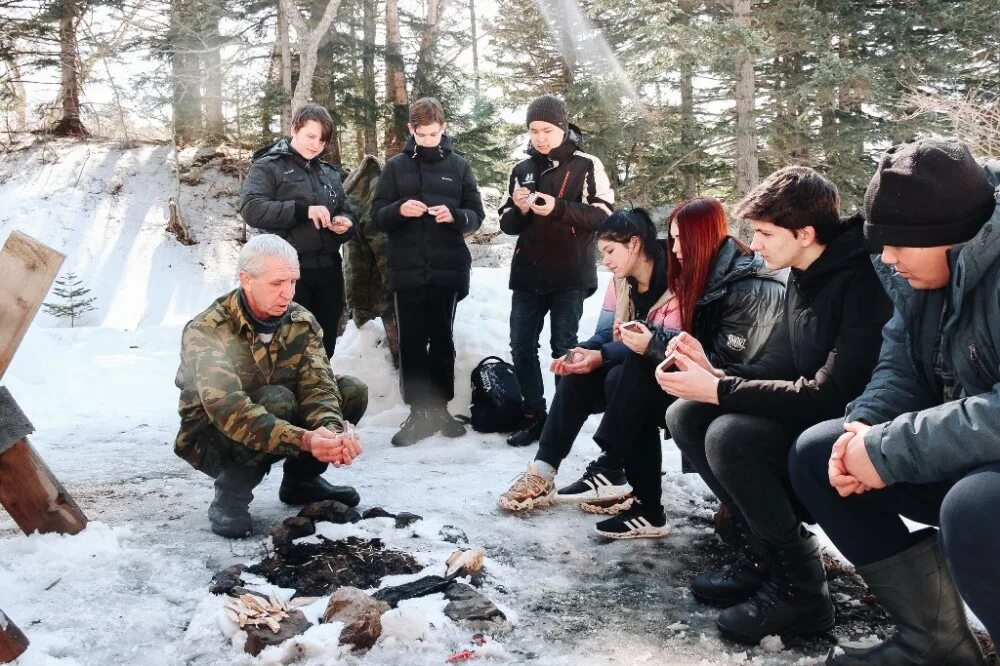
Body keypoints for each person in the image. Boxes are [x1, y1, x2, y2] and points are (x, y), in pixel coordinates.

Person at [660, 167, 893, 644]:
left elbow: (831, 393)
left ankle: (802, 590)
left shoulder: (861, 281)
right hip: (812, 408)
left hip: (854, 424)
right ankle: (763, 552)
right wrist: (716, 373)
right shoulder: (802, 274)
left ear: (805, 234)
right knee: (686, 413)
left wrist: (720, 391)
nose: (755, 245)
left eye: (764, 233)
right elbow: (778, 363)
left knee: (731, 435)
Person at [789, 139, 999, 665]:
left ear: (953, 238)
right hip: (972, 451)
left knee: (978, 508)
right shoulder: (919, 275)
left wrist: (889, 451)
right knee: (821, 451)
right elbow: (900, 366)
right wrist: (863, 430)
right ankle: (936, 641)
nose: (886, 257)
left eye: (899, 243)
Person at [497, 202, 785, 540]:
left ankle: (614, 468)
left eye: (680, 240)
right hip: (685, 377)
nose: (674, 248)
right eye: (672, 239)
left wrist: (620, 351)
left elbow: (717, 361)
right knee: (594, 372)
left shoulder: (716, 283)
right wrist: (589, 351)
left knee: (628, 374)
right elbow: (619, 334)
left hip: (731, 392)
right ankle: (552, 470)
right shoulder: (671, 275)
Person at [174, 235, 367, 538]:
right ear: (246, 280)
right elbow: (229, 410)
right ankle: (231, 495)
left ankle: (301, 482)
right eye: (277, 283)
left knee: (352, 390)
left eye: (292, 282)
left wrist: (331, 435)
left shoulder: (301, 321)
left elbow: (319, 386)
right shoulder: (208, 330)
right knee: (278, 400)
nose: (287, 293)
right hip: (211, 437)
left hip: (277, 416)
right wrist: (305, 440)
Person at [499, 94, 614, 447]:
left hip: (571, 273)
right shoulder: (521, 168)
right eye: (533, 131)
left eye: (547, 130)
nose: (540, 138)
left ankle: (564, 422)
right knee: (521, 347)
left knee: (564, 347)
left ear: (562, 127)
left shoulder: (586, 164)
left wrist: (559, 208)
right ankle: (535, 415)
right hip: (528, 274)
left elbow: (604, 215)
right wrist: (518, 209)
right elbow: (507, 224)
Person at [372, 97, 485, 447]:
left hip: (447, 268)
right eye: (421, 134)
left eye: (434, 133)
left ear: (444, 128)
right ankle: (417, 412)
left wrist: (455, 216)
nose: (428, 139)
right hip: (406, 270)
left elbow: (476, 215)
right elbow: (376, 216)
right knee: (411, 343)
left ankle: (440, 408)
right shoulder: (394, 167)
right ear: (411, 130)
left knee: (442, 340)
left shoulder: (460, 166)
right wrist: (399, 209)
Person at [240, 103, 358, 358]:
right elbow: (252, 209)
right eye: (310, 136)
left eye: (322, 141)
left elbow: (347, 211)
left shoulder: (329, 174)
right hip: (287, 274)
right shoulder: (269, 166)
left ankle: (319, 395)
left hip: (328, 271)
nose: (316, 145)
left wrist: (345, 224)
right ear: (294, 129)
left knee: (324, 347)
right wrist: (303, 210)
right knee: (288, 349)